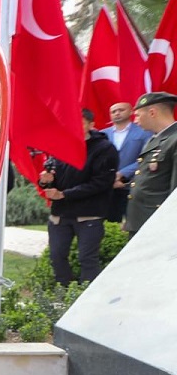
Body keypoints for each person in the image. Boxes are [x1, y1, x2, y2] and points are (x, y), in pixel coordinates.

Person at [38, 110, 118, 284]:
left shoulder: (104, 149)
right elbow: (54, 179)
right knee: (57, 256)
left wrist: (64, 194)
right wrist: (46, 181)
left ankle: (89, 299)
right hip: (60, 215)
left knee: (87, 259)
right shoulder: (61, 145)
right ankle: (64, 295)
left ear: (91, 125)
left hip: (89, 215)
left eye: (80, 122)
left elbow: (101, 183)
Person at [124, 92, 177, 237]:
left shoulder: (174, 139)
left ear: (152, 112)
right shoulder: (154, 140)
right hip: (142, 219)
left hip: (159, 223)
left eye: (138, 115)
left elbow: (175, 192)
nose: (135, 121)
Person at [102, 101, 150, 223]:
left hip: (131, 185)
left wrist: (121, 174)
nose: (117, 113)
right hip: (105, 187)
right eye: (113, 111)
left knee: (130, 223)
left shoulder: (144, 132)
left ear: (131, 111)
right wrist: (108, 177)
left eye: (121, 110)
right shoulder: (102, 134)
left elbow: (146, 158)